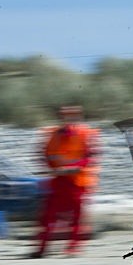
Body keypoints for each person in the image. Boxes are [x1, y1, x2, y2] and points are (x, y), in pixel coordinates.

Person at [30, 106, 99, 257]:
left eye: (73, 116)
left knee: (76, 218)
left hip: (78, 182)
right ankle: (41, 248)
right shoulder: (52, 134)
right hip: (58, 181)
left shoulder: (86, 134)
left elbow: (90, 156)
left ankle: (73, 248)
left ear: (79, 117)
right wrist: (51, 167)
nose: (69, 119)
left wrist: (72, 168)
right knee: (48, 217)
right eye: (66, 116)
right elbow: (44, 153)